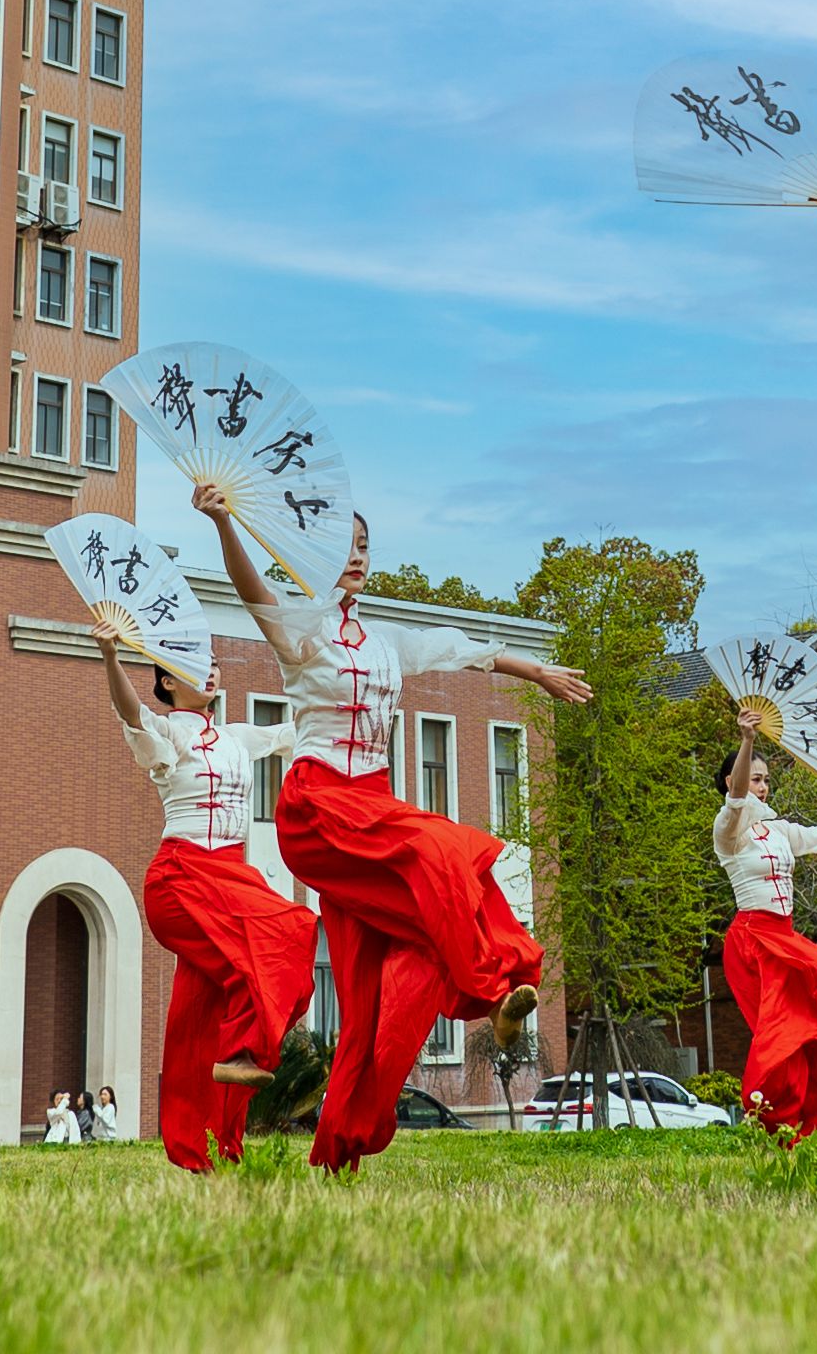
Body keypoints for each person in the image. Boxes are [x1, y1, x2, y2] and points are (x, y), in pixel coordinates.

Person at [199, 482, 591, 1172]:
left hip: (374, 810)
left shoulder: (387, 643)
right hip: (321, 813)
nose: (355, 556)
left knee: (383, 988)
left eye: (364, 546)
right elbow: (250, 586)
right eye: (342, 547)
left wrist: (532, 668)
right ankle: (497, 982)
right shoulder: (304, 629)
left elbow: (456, 649)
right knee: (445, 846)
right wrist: (226, 523)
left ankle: (340, 1145)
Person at [98, 626, 312, 1173]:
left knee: (199, 1020)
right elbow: (131, 715)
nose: (211, 670)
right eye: (195, 664)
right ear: (167, 681)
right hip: (182, 878)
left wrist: (333, 692)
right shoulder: (168, 733)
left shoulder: (238, 738)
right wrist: (109, 655)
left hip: (232, 880)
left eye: (213, 662)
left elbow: (295, 733)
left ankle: (213, 1148)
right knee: (282, 932)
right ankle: (243, 1052)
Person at [711, 724, 817, 1140]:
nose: (762, 788)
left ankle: (793, 1117)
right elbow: (736, 801)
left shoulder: (777, 829)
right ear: (735, 780)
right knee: (785, 1028)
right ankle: (766, 1110)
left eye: (766, 780)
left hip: (784, 937)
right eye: (756, 779)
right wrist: (746, 740)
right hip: (753, 942)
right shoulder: (729, 833)